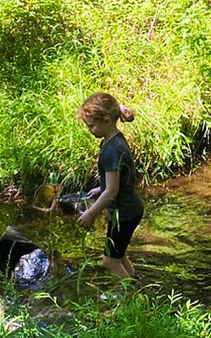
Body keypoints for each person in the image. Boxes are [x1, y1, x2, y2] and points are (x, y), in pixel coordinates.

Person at [77, 92, 144, 280]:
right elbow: (116, 181)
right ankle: (134, 287)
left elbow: (112, 192)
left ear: (106, 120)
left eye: (91, 125)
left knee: (110, 261)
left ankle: (126, 300)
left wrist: (91, 213)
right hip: (130, 209)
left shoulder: (112, 150)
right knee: (118, 255)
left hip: (123, 213)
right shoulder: (113, 140)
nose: (90, 130)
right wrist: (100, 188)